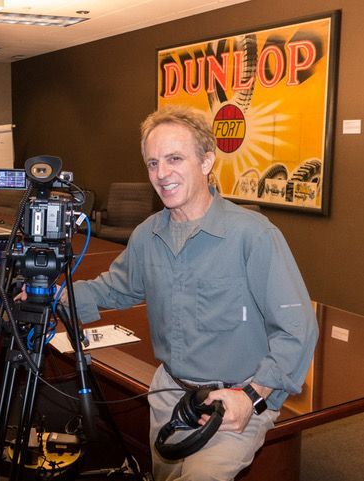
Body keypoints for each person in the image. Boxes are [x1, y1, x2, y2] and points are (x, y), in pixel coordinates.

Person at [69, 104, 318, 481]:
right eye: (153, 163)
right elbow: (117, 287)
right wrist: (55, 295)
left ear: (206, 162)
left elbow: (298, 328)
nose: (161, 173)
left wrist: (250, 395)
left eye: (174, 159)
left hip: (234, 401)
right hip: (169, 393)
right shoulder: (147, 235)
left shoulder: (254, 235)